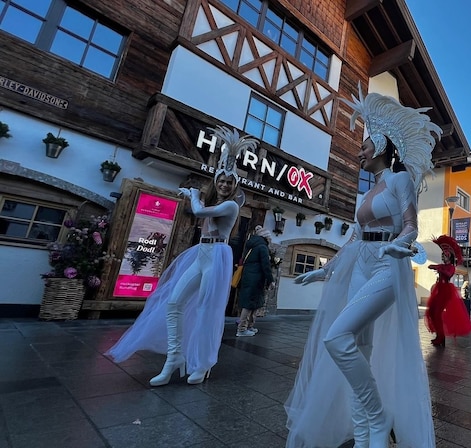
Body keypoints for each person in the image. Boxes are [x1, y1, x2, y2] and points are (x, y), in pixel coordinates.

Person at [284, 88, 441, 447]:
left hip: (387, 267)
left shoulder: (400, 180)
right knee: (358, 346)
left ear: (383, 145)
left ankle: (377, 415)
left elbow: (410, 225)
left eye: (364, 145)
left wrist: (400, 246)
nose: (359, 152)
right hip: (360, 265)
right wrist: (324, 270)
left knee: (336, 338)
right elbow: (355, 237)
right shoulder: (363, 195)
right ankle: (365, 433)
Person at [106, 126, 254, 385]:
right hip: (202, 253)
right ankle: (174, 358)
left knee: (207, 309)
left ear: (234, 186)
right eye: (221, 179)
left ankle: (203, 362)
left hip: (218, 255)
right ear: (216, 180)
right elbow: (201, 210)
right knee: (174, 303)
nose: (224, 184)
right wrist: (194, 196)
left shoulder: (230, 205)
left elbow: (198, 212)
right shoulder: (214, 203)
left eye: (229, 182)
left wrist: (193, 194)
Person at [425, 235, 471, 347]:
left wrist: (439, 268)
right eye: (443, 255)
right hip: (439, 290)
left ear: (450, 257)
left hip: (446, 291)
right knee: (432, 312)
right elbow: (432, 266)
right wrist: (436, 267)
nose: (444, 257)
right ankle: (439, 336)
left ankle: (441, 338)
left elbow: (448, 273)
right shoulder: (443, 266)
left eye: (445, 255)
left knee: (437, 313)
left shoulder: (451, 267)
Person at [236, 225, 274, 337]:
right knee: (249, 304)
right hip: (256, 278)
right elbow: (265, 265)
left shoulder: (251, 246)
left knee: (252, 303)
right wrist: (270, 279)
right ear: (266, 238)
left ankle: (249, 326)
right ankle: (242, 329)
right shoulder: (262, 247)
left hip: (248, 276)